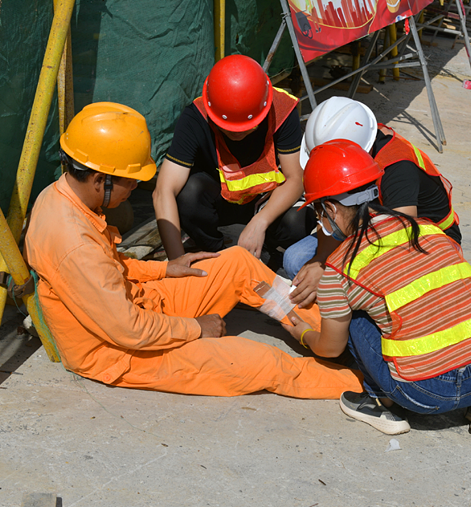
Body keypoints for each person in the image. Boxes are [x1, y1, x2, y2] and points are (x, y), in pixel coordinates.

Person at [24, 102, 362, 399]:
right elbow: (128, 329)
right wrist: (197, 328)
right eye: (131, 181)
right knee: (262, 364)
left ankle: (333, 336)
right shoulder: (73, 243)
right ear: (101, 180)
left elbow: (109, 266)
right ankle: (367, 384)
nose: (135, 188)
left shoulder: (62, 196)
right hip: (122, 351)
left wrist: (163, 269)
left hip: (139, 304)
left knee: (238, 263)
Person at [282, 140, 471, 435]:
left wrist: (304, 335)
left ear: (331, 209)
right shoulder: (427, 229)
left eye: (318, 213)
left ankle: (379, 400)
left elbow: (331, 348)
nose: (319, 221)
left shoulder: (340, 268)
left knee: (356, 317)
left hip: (423, 394)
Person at [283, 97, 460, 309]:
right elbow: (328, 212)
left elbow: (398, 249)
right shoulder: (357, 144)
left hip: (421, 244)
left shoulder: (398, 169)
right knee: (296, 260)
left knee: (364, 286)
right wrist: (322, 260)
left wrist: (334, 270)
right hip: (365, 227)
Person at [153, 55, 315, 269]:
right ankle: (214, 251)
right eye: (227, 128)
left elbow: (296, 178)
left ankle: (266, 249)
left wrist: (260, 222)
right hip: (220, 203)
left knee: (299, 222)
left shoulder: (281, 109)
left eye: (247, 127)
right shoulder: (195, 118)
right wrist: (176, 262)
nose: (237, 134)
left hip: (264, 200)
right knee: (188, 194)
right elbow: (163, 191)